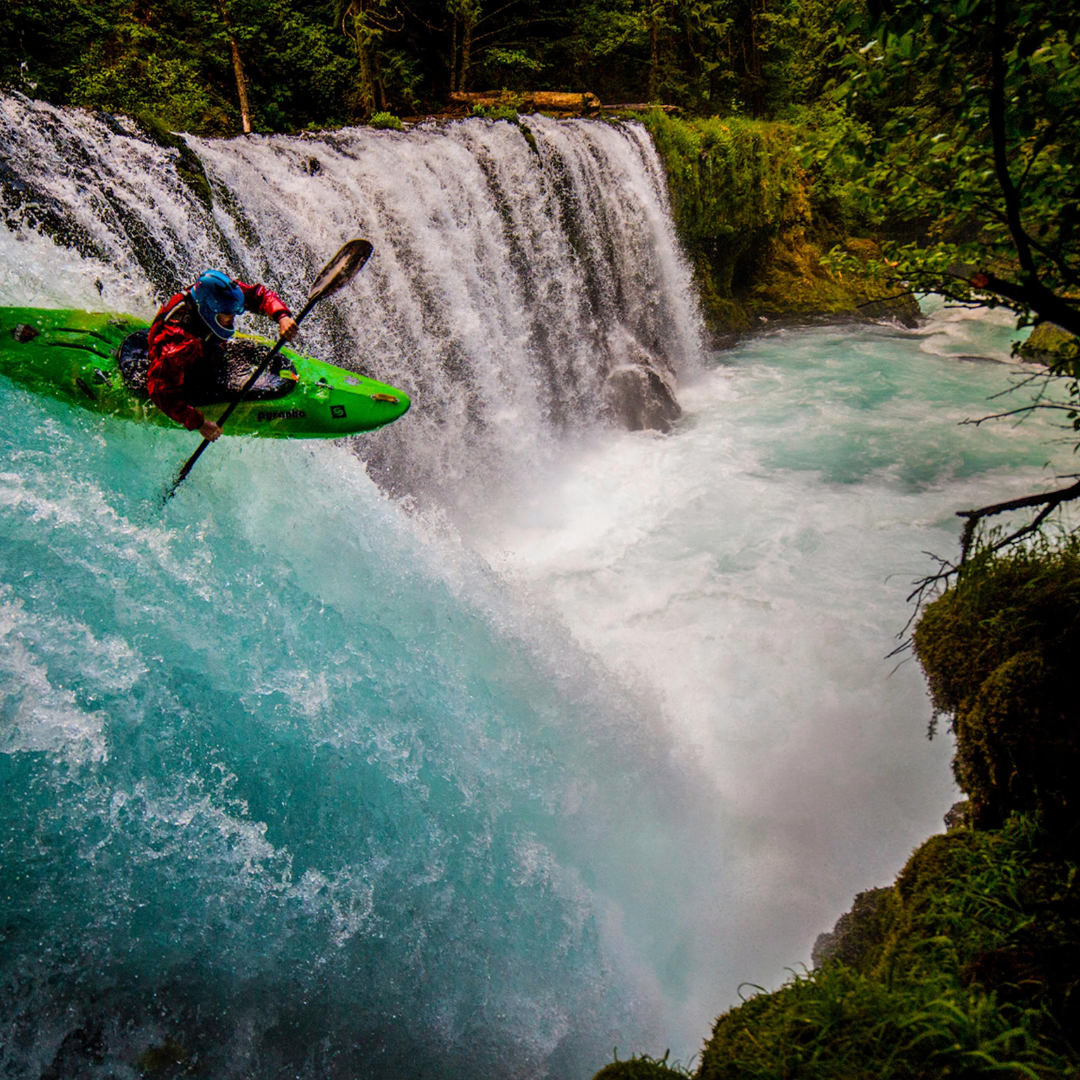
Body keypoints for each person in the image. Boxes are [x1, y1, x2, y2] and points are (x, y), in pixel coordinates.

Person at [146, 270, 299, 441]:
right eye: (228, 317)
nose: (232, 320)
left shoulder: (214, 294)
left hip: (204, 350)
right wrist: (199, 423)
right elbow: (161, 394)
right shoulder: (178, 344)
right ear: (208, 311)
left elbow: (258, 295)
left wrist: (282, 316)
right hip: (185, 376)